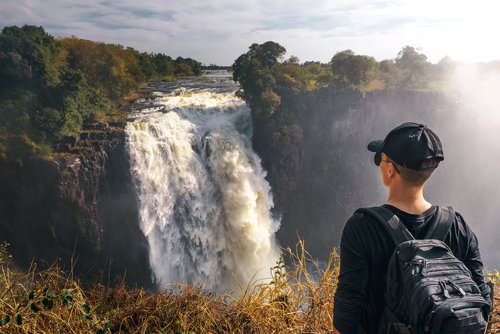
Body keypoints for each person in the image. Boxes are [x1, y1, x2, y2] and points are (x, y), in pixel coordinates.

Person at [333, 122, 491, 334]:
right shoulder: (458, 226)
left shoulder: (362, 226)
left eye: (381, 158)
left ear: (390, 169)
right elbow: (482, 301)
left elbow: (347, 314)